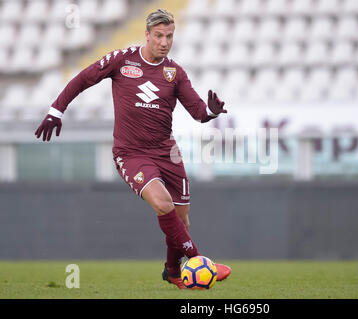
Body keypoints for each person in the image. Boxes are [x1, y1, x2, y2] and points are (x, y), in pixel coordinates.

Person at [35, 8, 231, 289]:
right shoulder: (121, 60)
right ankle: (199, 261)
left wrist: (211, 112)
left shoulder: (175, 72)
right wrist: (56, 110)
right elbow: (83, 78)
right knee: (163, 204)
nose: (165, 42)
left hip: (167, 152)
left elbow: (198, 112)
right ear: (147, 35)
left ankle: (172, 271)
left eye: (170, 36)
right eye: (159, 36)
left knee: (182, 221)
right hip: (131, 154)